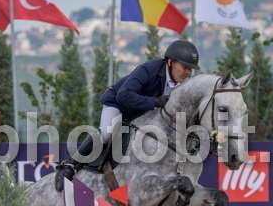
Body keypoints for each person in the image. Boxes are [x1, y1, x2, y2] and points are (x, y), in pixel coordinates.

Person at [54, 40, 200, 189]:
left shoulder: (183, 84)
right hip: (118, 104)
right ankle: (70, 165)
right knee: (106, 133)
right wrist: (155, 101)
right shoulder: (148, 70)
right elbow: (123, 95)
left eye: (190, 69)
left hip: (142, 114)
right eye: (185, 67)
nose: (188, 73)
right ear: (170, 62)